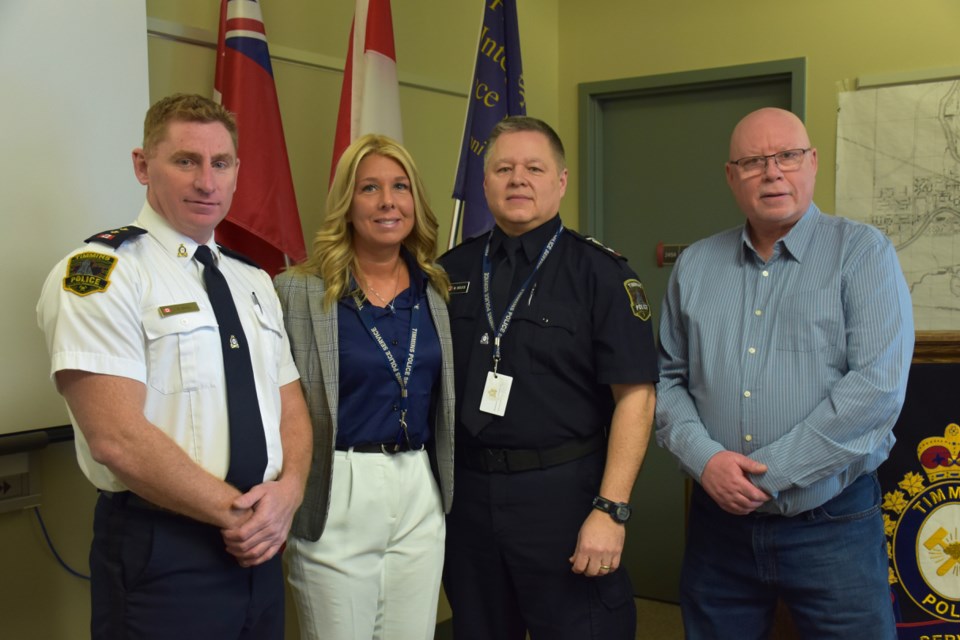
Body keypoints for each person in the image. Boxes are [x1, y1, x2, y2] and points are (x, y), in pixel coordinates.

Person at [35, 93, 312, 638]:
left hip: (260, 545)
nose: (207, 182)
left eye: (221, 163)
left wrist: (290, 493)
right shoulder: (101, 274)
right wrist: (241, 517)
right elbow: (116, 438)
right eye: (186, 161)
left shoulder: (252, 279)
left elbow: (290, 405)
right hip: (164, 549)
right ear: (143, 165)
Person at [655, 107, 914, 639]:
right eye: (753, 161)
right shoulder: (697, 265)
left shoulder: (862, 253)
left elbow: (875, 390)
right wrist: (706, 462)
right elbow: (666, 379)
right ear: (732, 176)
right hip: (717, 529)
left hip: (832, 524)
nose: (772, 172)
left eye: (788, 156)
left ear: (811, 163)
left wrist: (763, 475)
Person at [438, 116, 658, 639]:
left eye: (534, 168)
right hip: (467, 498)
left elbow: (637, 398)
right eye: (503, 168)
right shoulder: (451, 272)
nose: (518, 179)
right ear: (484, 182)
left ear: (560, 182)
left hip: (563, 496)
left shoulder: (601, 274)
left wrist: (611, 510)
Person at [274, 134, 454, 640]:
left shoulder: (437, 289)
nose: (388, 202)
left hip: (419, 486)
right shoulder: (298, 291)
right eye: (369, 188)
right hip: (338, 483)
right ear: (346, 205)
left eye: (400, 187)